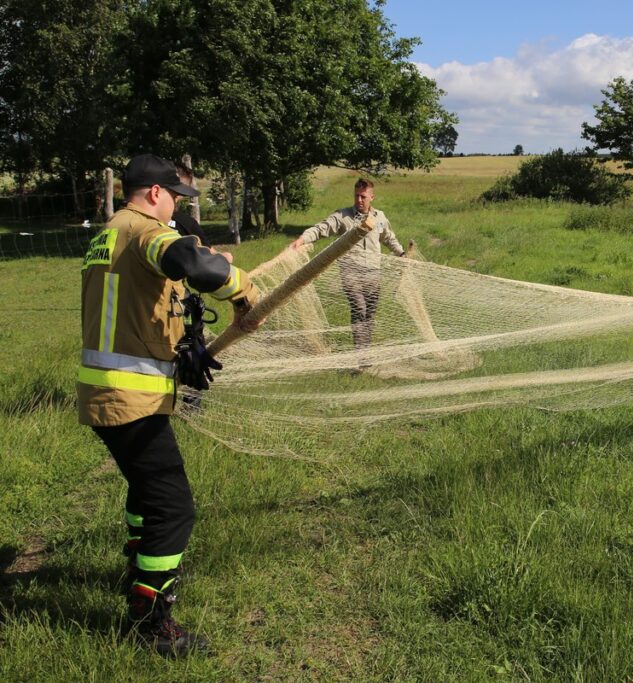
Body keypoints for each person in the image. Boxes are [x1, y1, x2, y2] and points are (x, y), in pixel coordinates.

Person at [79, 154, 260, 656]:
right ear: (155, 193)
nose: (176, 209)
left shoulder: (108, 233)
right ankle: (150, 623)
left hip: (108, 391)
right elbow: (191, 263)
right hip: (128, 397)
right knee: (173, 507)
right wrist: (243, 289)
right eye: (175, 198)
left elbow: (146, 296)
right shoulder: (144, 230)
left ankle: (136, 572)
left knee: (146, 493)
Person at [288, 178, 405, 355]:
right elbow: (321, 228)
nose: (359, 200)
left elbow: (389, 238)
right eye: (356, 196)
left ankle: (365, 354)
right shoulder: (343, 216)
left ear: (372, 197)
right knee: (359, 308)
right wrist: (302, 239)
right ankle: (360, 355)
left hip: (373, 273)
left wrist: (402, 254)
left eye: (363, 196)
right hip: (351, 272)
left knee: (370, 314)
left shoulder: (379, 217)